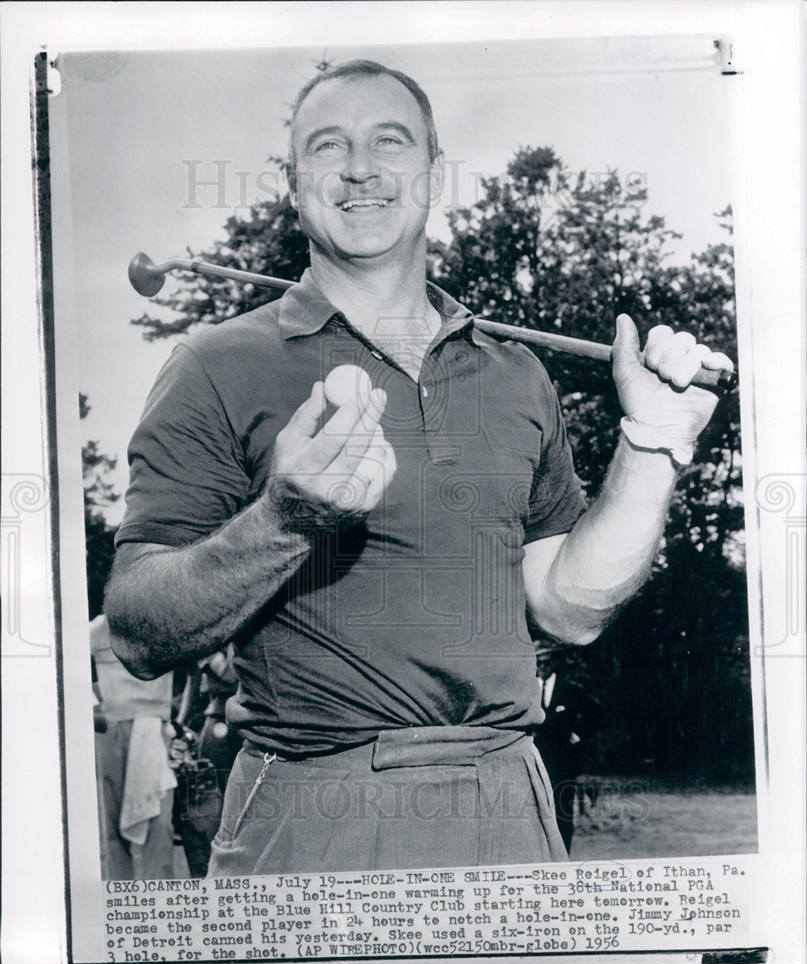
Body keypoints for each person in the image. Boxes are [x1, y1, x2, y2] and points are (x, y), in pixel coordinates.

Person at [105, 59, 733, 875]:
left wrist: (651, 445)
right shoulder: (213, 365)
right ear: (293, 185)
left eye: (389, 142)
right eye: (328, 146)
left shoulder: (515, 374)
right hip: (311, 817)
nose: (361, 167)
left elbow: (568, 608)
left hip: (510, 808)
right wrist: (283, 520)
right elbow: (136, 631)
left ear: (432, 176)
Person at [90, 614, 176, 879]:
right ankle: (119, 902)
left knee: (161, 826)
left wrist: (179, 719)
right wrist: (94, 708)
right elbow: (65, 667)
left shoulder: (167, 625)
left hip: (155, 728)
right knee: (112, 828)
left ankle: (161, 903)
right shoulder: (97, 629)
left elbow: (196, 669)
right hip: (111, 727)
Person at [532, 664, 603, 852]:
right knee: (534, 809)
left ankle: (563, 856)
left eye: (546, 662)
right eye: (538, 662)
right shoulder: (527, 689)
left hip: (563, 761)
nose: (542, 667)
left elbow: (595, 710)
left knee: (562, 808)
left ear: (553, 665)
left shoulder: (568, 689)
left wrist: (579, 734)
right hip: (534, 760)